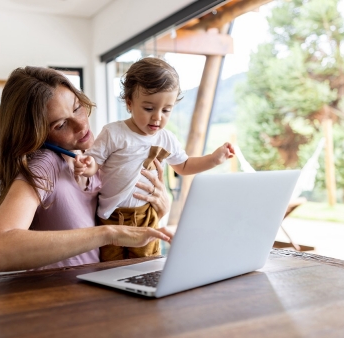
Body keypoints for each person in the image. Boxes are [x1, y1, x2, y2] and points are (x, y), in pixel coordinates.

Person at [0, 66, 173, 274]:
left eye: (77, 107)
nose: (81, 125)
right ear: (36, 135)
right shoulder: (45, 165)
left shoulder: (92, 159)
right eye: (61, 124)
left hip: (100, 292)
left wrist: (159, 208)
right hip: (63, 299)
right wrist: (108, 233)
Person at [74, 57, 235, 261]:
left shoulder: (166, 138)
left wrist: (213, 159)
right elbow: (95, 161)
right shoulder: (113, 132)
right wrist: (87, 167)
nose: (158, 117)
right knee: (109, 264)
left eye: (166, 110)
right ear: (129, 103)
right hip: (111, 216)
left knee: (147, 262)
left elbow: (184, 165)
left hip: (146, 216)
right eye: (149, 108)